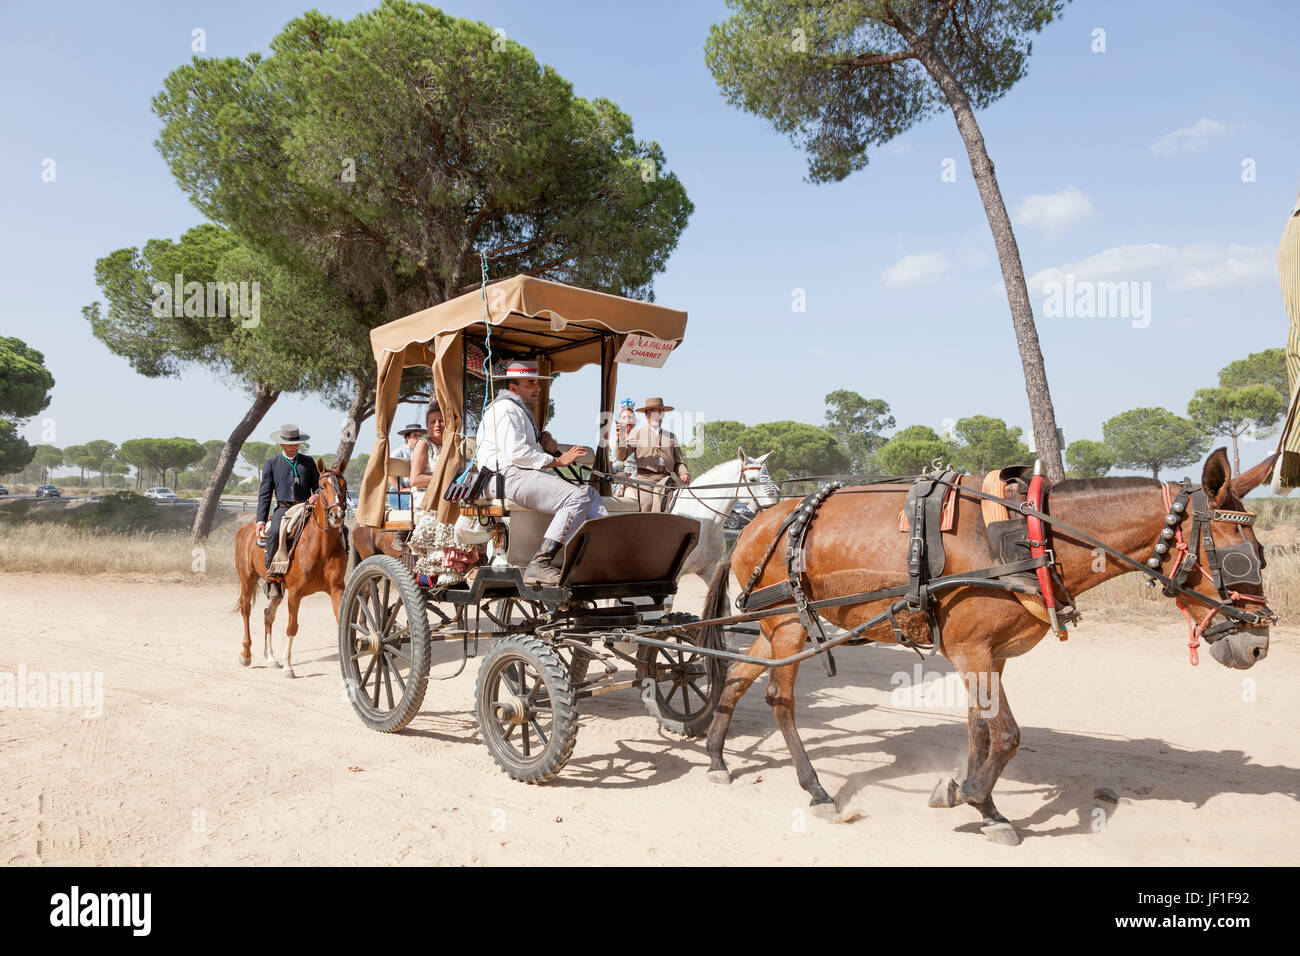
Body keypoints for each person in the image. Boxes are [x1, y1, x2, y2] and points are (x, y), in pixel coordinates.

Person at [475, 360, 605, 586]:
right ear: (514, 388)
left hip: (517, 475)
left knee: (589, 493)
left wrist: (544, 443)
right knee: (577, 497)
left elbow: (523, 449)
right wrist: (557, 460)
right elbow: (516, 453)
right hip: (506, 476)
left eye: (537, 383)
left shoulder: (519, 410)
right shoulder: (506, 409)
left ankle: (605, 553)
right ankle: (539, 563)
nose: (538, 388)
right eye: (530, 383)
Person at [255, 425, 320, 598]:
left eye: (296, 444)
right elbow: (265, 493)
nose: (294, 447)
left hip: (306, 507)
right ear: (282, 445)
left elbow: (319, 486)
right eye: (290, 445)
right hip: (283, 508)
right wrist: (260, 520)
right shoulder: (272, 463)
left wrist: (317, 495)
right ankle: (273, 577)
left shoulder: (308, 461)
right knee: (275, 532)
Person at [616, 397, 691, 511]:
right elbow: (621, 456)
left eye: (659, 413)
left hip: (666, 479)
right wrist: (621, 439)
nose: (656, 416)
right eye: (652, 413)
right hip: (644, 480)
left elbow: (679, 462)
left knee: (679, 503)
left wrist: (683, 473)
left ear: (663, 415)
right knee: (647, 504)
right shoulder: (638, 433)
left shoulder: (671, 437)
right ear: (646, 415)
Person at [388, 423, 425, 508]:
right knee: (415, 505)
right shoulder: (399, 452)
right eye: (415, 435)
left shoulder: (424, 453)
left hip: (416, 490)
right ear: (407, 437)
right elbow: (389, 475)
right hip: (397, 492)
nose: (418, 438)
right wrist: (401, 489)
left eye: (420, 435)